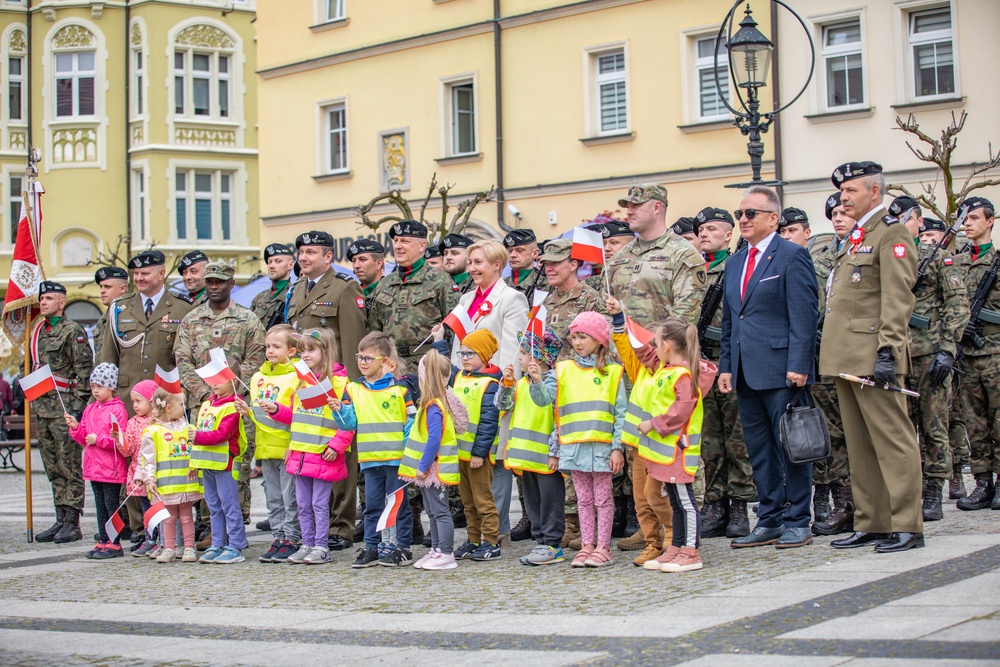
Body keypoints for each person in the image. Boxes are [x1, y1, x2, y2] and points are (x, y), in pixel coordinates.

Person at [821, 161, 923, 553]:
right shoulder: (858, 235)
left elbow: (898, 298)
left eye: (851, 191)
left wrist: (888, 351)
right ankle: (872, 520)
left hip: (874, 353)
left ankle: (906, 523)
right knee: (861, 445)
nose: (844, 198)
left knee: (892, 440)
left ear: (875, 193)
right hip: (847, 355)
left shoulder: (892, 233)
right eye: (843, 192)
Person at [606, 184, 707, 565]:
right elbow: (612, 312)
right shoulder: (620, 257)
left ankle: (679, 534)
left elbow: (686, 315)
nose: (628, 212)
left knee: (672, 452)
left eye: (635, 206)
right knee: (640, 453)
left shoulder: (683, 253)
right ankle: (651, 532)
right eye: (626, 206)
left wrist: (660, 352)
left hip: (667, 364)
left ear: (657, 207)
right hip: (632, 369)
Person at [719, 185, 818, 550]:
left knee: (792, 446)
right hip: (746, 371)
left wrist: (799, 364)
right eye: (739, 214)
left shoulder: (791, 256)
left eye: (750, 214)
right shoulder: (735, 262)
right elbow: (732, 320)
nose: (742, 220)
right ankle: (771, 518)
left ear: (773, 218)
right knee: (759, 449)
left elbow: (804, 316)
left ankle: (798, 520)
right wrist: (726, 367)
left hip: (782, 370)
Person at [613, 314, 717, 573]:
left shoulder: (681, 374)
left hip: (679, 453)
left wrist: (653, 424)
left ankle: (690, 551)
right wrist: (618, 319)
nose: (653, 349)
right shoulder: (666, 370)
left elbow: (682, 410)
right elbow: (642, 352)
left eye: (657, 343)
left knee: (685, 503)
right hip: (666, 454)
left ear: (667, 346)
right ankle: (677, 546)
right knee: (675, 500)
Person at [890, 196, 969, 521]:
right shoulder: (889, 259)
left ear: (919, 221)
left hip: (930, 353)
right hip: (895, 355)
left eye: (905, 220)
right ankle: (909, 491)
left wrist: (948, 349)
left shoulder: (938, 259)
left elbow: (957, 305)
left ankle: (934, 491)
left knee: (934, 425)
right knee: (901, 429)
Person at [173, 262, 266, 535]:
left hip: (236, 405)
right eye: (210, 281)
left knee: (235, 464)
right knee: (205, 465)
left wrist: (231, 391)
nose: (214, 286)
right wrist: (205, 393)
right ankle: (209, 527)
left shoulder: (248, 320)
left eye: (220, 282)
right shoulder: (191, 320)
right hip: (202, 406)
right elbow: (182, 360)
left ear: (231, 284)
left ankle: (237, 525)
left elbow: (256, 359)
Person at [529, 312, 625, 567]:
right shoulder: (562, 370)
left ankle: (603, 547)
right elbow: (545, 400)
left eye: (583, 336)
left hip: (603, 448)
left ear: (599, 339)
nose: (578, 342)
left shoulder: (614, 372)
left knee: (603, 499)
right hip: (573, 448)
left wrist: (618, 448)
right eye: (574, 337)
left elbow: (621, 413)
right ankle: (586, 546)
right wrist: (537, 381)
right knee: (583, 500)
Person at [778, 205, 852, 536]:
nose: (785, 237)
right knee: (812, 432)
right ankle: (821, 501)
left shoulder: (831, 261)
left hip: (840, 357)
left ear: (806, 232)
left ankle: (847, 502)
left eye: (791, 230)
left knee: (841, 434)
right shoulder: (814, 261)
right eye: (782, 232)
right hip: (811, 360)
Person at [536, 237, 608, 549]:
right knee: (564, 453)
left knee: (591, 456)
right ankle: (570, 523)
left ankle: (595, 526)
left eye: (556, 263)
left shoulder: (592, 299)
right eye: (546, 263)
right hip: (558, 387)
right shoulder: (544, 304)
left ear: (574, 264)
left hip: (588, 387)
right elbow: (540, 348)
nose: (549, 268)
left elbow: (606, 343)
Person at [331, 332, 417, 568]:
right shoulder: (353, 389)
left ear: (386, 362)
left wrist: (410, 455)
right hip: (369, 461)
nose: (362, 362)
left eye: (368, 358)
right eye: (360, 357)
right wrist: (338, 409)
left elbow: (411, 425)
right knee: (372, 506)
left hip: (396, 460)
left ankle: (400, 547)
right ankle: (372, 546)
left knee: (398, 506)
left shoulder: (400, 390)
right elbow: (348, 423)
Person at [693, 206, 753, 540]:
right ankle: (715, 504)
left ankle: (741, 505)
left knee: (737, 437)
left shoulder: (737, 265)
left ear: (729, 234)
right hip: (701, 362)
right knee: (709, 438)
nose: (705, 233)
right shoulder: (694, 268)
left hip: (728, 359)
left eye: (712, 229)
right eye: (701, 229)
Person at [271, 329, 354, 564]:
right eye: (302, 350)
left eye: (311, 350)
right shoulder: (300, 382)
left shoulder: (339, 383)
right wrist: (277, 411)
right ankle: (307, 543)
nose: (305, 355)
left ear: (325, 351)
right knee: (303, 504)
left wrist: (337, 446)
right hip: (300, 453)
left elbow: (349, 421)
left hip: (323, 453)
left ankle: (321, 546)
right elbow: (296, 416)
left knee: (319, 503)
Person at [31, 280, 95, 544]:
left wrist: (78, 409)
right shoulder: (37, 332)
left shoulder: (73, 331)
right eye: (41, 299)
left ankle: (72, 521)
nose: (43, 302)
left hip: (65, 409)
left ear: (61, 302)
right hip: (43, 408)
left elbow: (84, 372)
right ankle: (60, 516)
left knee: (69, 465)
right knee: (52, 465)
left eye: (48, 298)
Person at [234, 324, 301, 563]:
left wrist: (277, 411)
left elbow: (298, 414)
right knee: (273, 497)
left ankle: (292, 538)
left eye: (276, 346)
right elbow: (259, 414)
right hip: (265, 447)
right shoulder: (258, 377)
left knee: (289, 496)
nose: (270, 351)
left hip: (287, 447)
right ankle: (278, 537)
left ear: (292, 351)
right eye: (267, 347)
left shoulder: (297, 376)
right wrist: (247, 411)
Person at [498, 327, 565, 566]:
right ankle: (540, 542)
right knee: (533, 502)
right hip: (526, 457)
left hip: (546, 457)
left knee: (550, 501)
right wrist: (506, 384)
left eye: (524, 352)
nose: (519, 357)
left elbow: (554, 411)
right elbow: (502, 405)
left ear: (538, 358)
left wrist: (555, 453)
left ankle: (553, 544)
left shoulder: (555, 382)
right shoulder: (520, 383)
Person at [399, 350, 469, 571]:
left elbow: (434, 438)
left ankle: (446, 552)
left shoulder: (434, 406)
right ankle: (437, 550)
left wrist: (422, 466)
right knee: (431, 511)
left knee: (440, 511)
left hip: (433, 469)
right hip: (430, 469)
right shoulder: (431, 404)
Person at [100, 250, 196, 411]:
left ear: (161, 274)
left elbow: (191, 357)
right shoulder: (119, 308)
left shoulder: (183, 308)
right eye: (136, 273)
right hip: (127, 400)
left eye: (145, 273)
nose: (139, 278)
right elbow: (109, 357)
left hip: (167, 399)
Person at [368, 220, 460, 371]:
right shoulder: (385, 283)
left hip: (427, 364)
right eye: (396, 241)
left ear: (422, 245)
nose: (398, 246)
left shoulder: (440, 280)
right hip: (391, 366)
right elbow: (375, 331)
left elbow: (454, 328)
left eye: (404, 241)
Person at [444, 329, 504, 561]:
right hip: (461, 453)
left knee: (483, 500)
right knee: (467, 502)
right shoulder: (461, 377)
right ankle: (473, 539)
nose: (465, 357)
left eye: (471, 353)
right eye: (462, 353)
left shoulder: (490, 383)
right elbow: (444, 368)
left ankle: (491, 541)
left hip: (478, 456)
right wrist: (441, 342)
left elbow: (489, 422)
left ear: (484, 356)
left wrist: (480, 452)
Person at [956, 196, 999, 511]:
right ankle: (982, 484)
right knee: (974, 423)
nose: (967, 223)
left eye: (973, 218)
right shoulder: (954, 262)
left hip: (996, 353)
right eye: (964, 219)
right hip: (966, 356)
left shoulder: (997, 260)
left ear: (990, 221)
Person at [65, 363, 129, 559]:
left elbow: (119, 440)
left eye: (99, 386)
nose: (95, 390)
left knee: (111, 506)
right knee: (100, 506)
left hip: (111, 468)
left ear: (111, 387)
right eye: (93, 386)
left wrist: (98, 440)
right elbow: (84, 436)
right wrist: (76, 427)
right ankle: (103, 540)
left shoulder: (118, 409)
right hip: (94, 467)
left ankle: (115, 542)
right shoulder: (90, 409)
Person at [134, 388, 204, 564]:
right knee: (169, 517)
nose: (184, 407)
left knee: (187, 516)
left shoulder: (189, 428)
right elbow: (147, 458)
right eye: (181, 404)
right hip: (165, 486)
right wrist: (149, 479)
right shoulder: (153, 431)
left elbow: (196, 450)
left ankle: (189, 547)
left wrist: (194, 465)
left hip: (186, 483)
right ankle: (169, 548)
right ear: (168, 408)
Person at [286, 230, 367, 380]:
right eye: (301, 252)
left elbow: (353, 343)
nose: (303, 258)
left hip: (331, 377)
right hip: (300, 377)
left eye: (310, 252)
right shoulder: (297, 287)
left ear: (328, 256)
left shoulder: (345, 287)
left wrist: (351, 384)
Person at [189, 377, 248, 564]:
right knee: (214, 506)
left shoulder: (233, 406)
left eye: (219, 380)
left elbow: (222, 434)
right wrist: (194, 462)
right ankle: (218, 543)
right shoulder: (207, 404)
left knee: (229, 505)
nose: (214, 384)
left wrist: (197, 436)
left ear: (232, 382)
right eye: (212, 380)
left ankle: (237, 545)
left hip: (225, 464)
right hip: (207, 463)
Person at [123, 380, 159, 557]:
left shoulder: (159, 421)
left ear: (151, 401)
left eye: (139, 401)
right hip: (139, 472)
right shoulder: (132, 422)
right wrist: (120, 439)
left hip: (156, 472)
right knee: (146, 508)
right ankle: (150, 538)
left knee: (159, 506)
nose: (135, 405)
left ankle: (163, 539)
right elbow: (127, 449)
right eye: (133, 402)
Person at [251, 243, 295, 330]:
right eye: (269, 262)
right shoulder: (260, 297)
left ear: (290, 265)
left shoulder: (295, 295)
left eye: (278, 261)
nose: (271, 266)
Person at [584, 220, 634, 292]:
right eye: (603, 244)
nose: (606, 248)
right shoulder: (598, 277)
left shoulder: (641, 272)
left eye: (613, 243)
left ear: (630, 245)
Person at [93, 266, 130, 363]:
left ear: (122, 288)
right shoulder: (103, 319)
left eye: (107, 287)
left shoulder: (132, 315)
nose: (102, 291)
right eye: (101, 287)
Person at [347, 239, 386, 319]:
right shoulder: (351, 294)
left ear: (378, 263)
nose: (356, 266)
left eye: (362, 259)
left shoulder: (391, 291)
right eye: (354, 261)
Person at [504, 229, 543, 303]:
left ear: (535, 253)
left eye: (520, 250)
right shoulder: (501, 285)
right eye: (510, 251)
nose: (512, 255)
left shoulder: (546, 284)